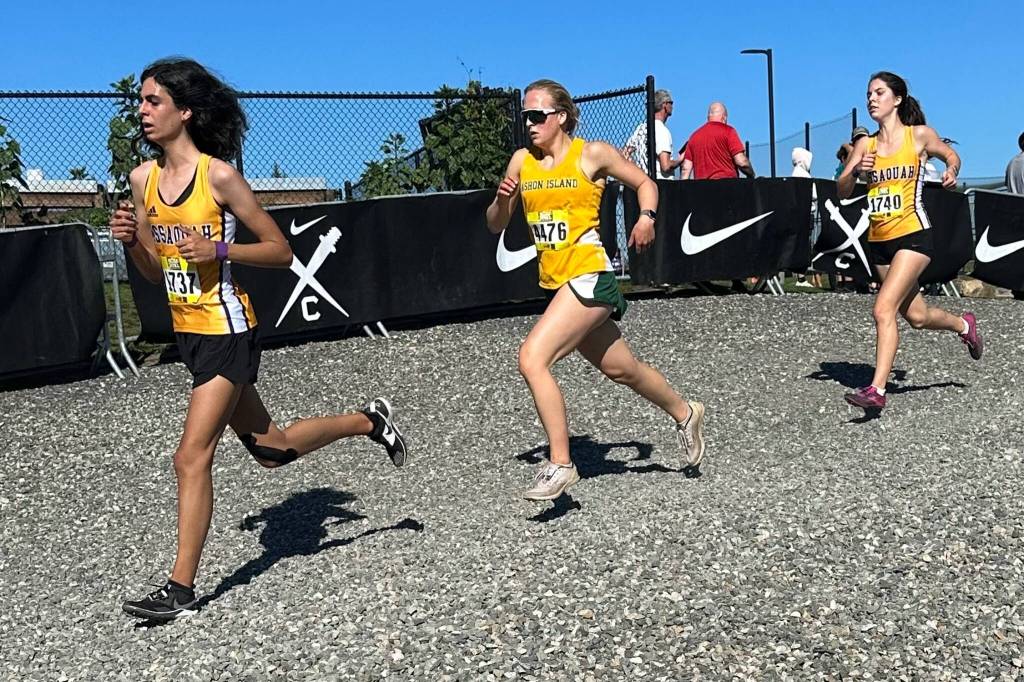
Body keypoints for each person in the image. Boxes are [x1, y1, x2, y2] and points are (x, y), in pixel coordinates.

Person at [111, 58, 409, 621]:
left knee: (190, 456)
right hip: (188, 332)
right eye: (141, 101)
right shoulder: (142, 180)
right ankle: (370, 421)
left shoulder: (218, 177)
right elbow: (153, 273)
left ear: (185, 111)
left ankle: (180, 589)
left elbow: (280, 251)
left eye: (154, 101)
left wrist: (220, 250)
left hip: (227, 330)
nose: (143, 111)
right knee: (273, 450)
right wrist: (132, 243)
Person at [486, 79, 705, 501]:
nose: (529, 124)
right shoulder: (521, 161)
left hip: (590, 275)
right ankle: (686, 412)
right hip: (558, 283)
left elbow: (647, 184)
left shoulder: (592, 154)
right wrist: (501, 200)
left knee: (532, 358)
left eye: (537, 115)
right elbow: (495, 224)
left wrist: (646, 217)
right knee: (623, 369)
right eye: (525, 116)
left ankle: (561, 464)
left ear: (561, 116)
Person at [837, 71, 982, 411]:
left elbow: (951, 155)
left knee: (882, 309)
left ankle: (876, 390)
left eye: (879, 93)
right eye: (869, 94)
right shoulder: (866, 145)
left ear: (897, 99)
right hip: (880, 241)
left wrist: (951, 171)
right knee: (917, 316)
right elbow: (842, 191)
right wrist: (856, 172)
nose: (871, 99)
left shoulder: (918, 136)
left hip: (913, 233)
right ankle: (964, 324)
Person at [680, 102, 754, 180]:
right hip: (727, 184)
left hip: (701, 186)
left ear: (708, 117)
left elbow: (685, 170)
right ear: (724, 117)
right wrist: (751, 175)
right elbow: (742, 162)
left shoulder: (693, 137)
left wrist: (683, 186)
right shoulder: (728, 131)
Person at [622, 89, 680, 179]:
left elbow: (625, 153)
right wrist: (681, 159)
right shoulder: (662, 130)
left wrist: (636, 170)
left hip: (643, 181)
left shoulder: (641, 128)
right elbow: (666, 166)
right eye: (671, 103)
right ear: (664, 105)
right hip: (661, 183)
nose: (672, 106)